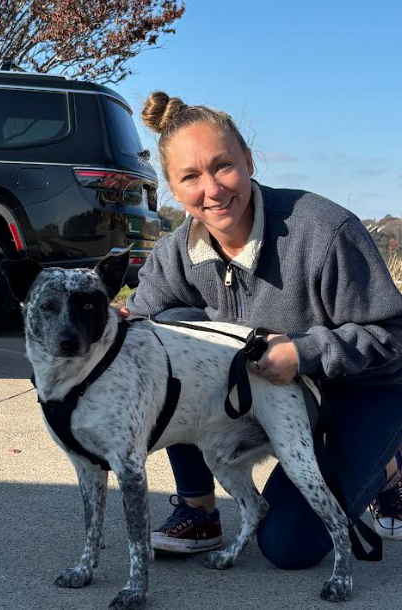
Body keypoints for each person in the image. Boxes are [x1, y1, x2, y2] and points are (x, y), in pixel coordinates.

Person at [121, 91, 402, 568]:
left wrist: (305, 352)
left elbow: (393, 333)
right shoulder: (175, 255)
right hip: (273, 399)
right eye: (191, 177)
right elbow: (140, 324)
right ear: (172, 188)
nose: (212, 189)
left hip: (360, 391)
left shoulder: (324, 230)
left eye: (223, 166)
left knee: (288, 547)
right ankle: (198, 510)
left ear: (249, 162)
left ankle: (389, 463)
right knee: (166, 334)